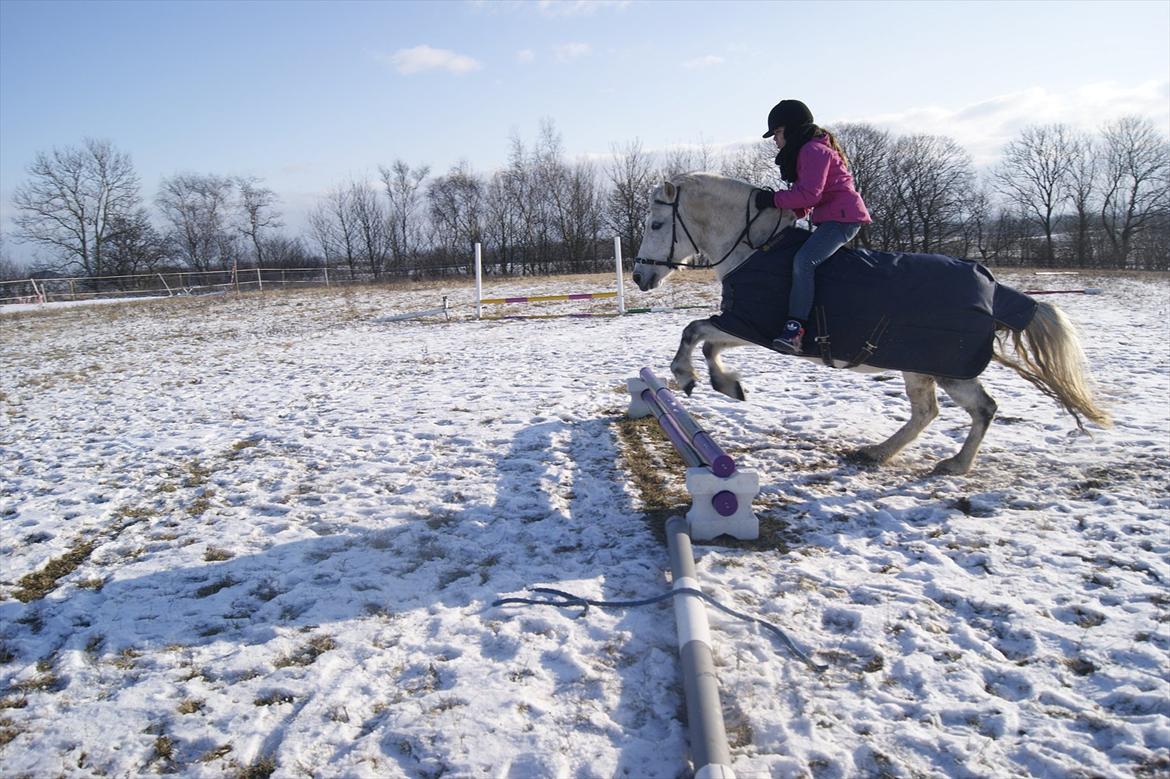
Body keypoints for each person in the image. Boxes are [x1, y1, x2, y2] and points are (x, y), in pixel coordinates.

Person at [754, 99, 871, 354]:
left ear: (792, 129)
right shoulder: (807, 150)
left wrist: (771, 200)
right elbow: (804, 204)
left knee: (804, 261)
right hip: (832, 217)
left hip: (843, 219)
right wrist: (777, 220)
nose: (775, 140)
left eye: (777, 132)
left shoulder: (812, 151)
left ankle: (795, 330)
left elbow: (809, 196)